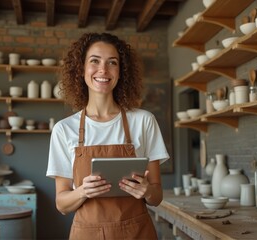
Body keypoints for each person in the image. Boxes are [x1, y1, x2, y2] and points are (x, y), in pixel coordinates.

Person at [46, 32, 169, 239]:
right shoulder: (64, 129)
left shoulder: (143, 121)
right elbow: (62, 204)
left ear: (121, 72)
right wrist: (83, 191)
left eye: (112, 62)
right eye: (94, 61)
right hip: (87, 234)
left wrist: (147, 191)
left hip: (137, 232)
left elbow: (156, 197)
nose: (103, 70)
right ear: (81, 69)